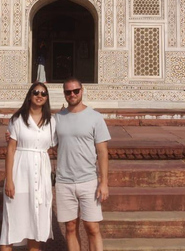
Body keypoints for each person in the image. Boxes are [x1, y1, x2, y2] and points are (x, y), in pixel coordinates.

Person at [54, 79, 111, 251]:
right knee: (70, 227)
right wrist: (12, 137)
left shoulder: (95, 117)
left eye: (75, 91)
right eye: (68, 92)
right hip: (64, 180)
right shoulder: (57, 118)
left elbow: (102, 152)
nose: (72, 94)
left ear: (82, 90)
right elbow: (39, 138)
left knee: (92, 227)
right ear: (64, 93)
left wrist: (104, 182)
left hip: (88, 180)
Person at [0, 82, 56, 251]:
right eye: (36, 92)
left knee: (36, 225)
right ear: (30, 95)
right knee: (11, 225)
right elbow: (10, 150)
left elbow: (63, 142)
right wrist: (9, 180)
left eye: (43, 94)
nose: (39, 96)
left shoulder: (52, 122)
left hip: (41, 177)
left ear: (46, 98)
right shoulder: (17, 120)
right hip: (20, 175)